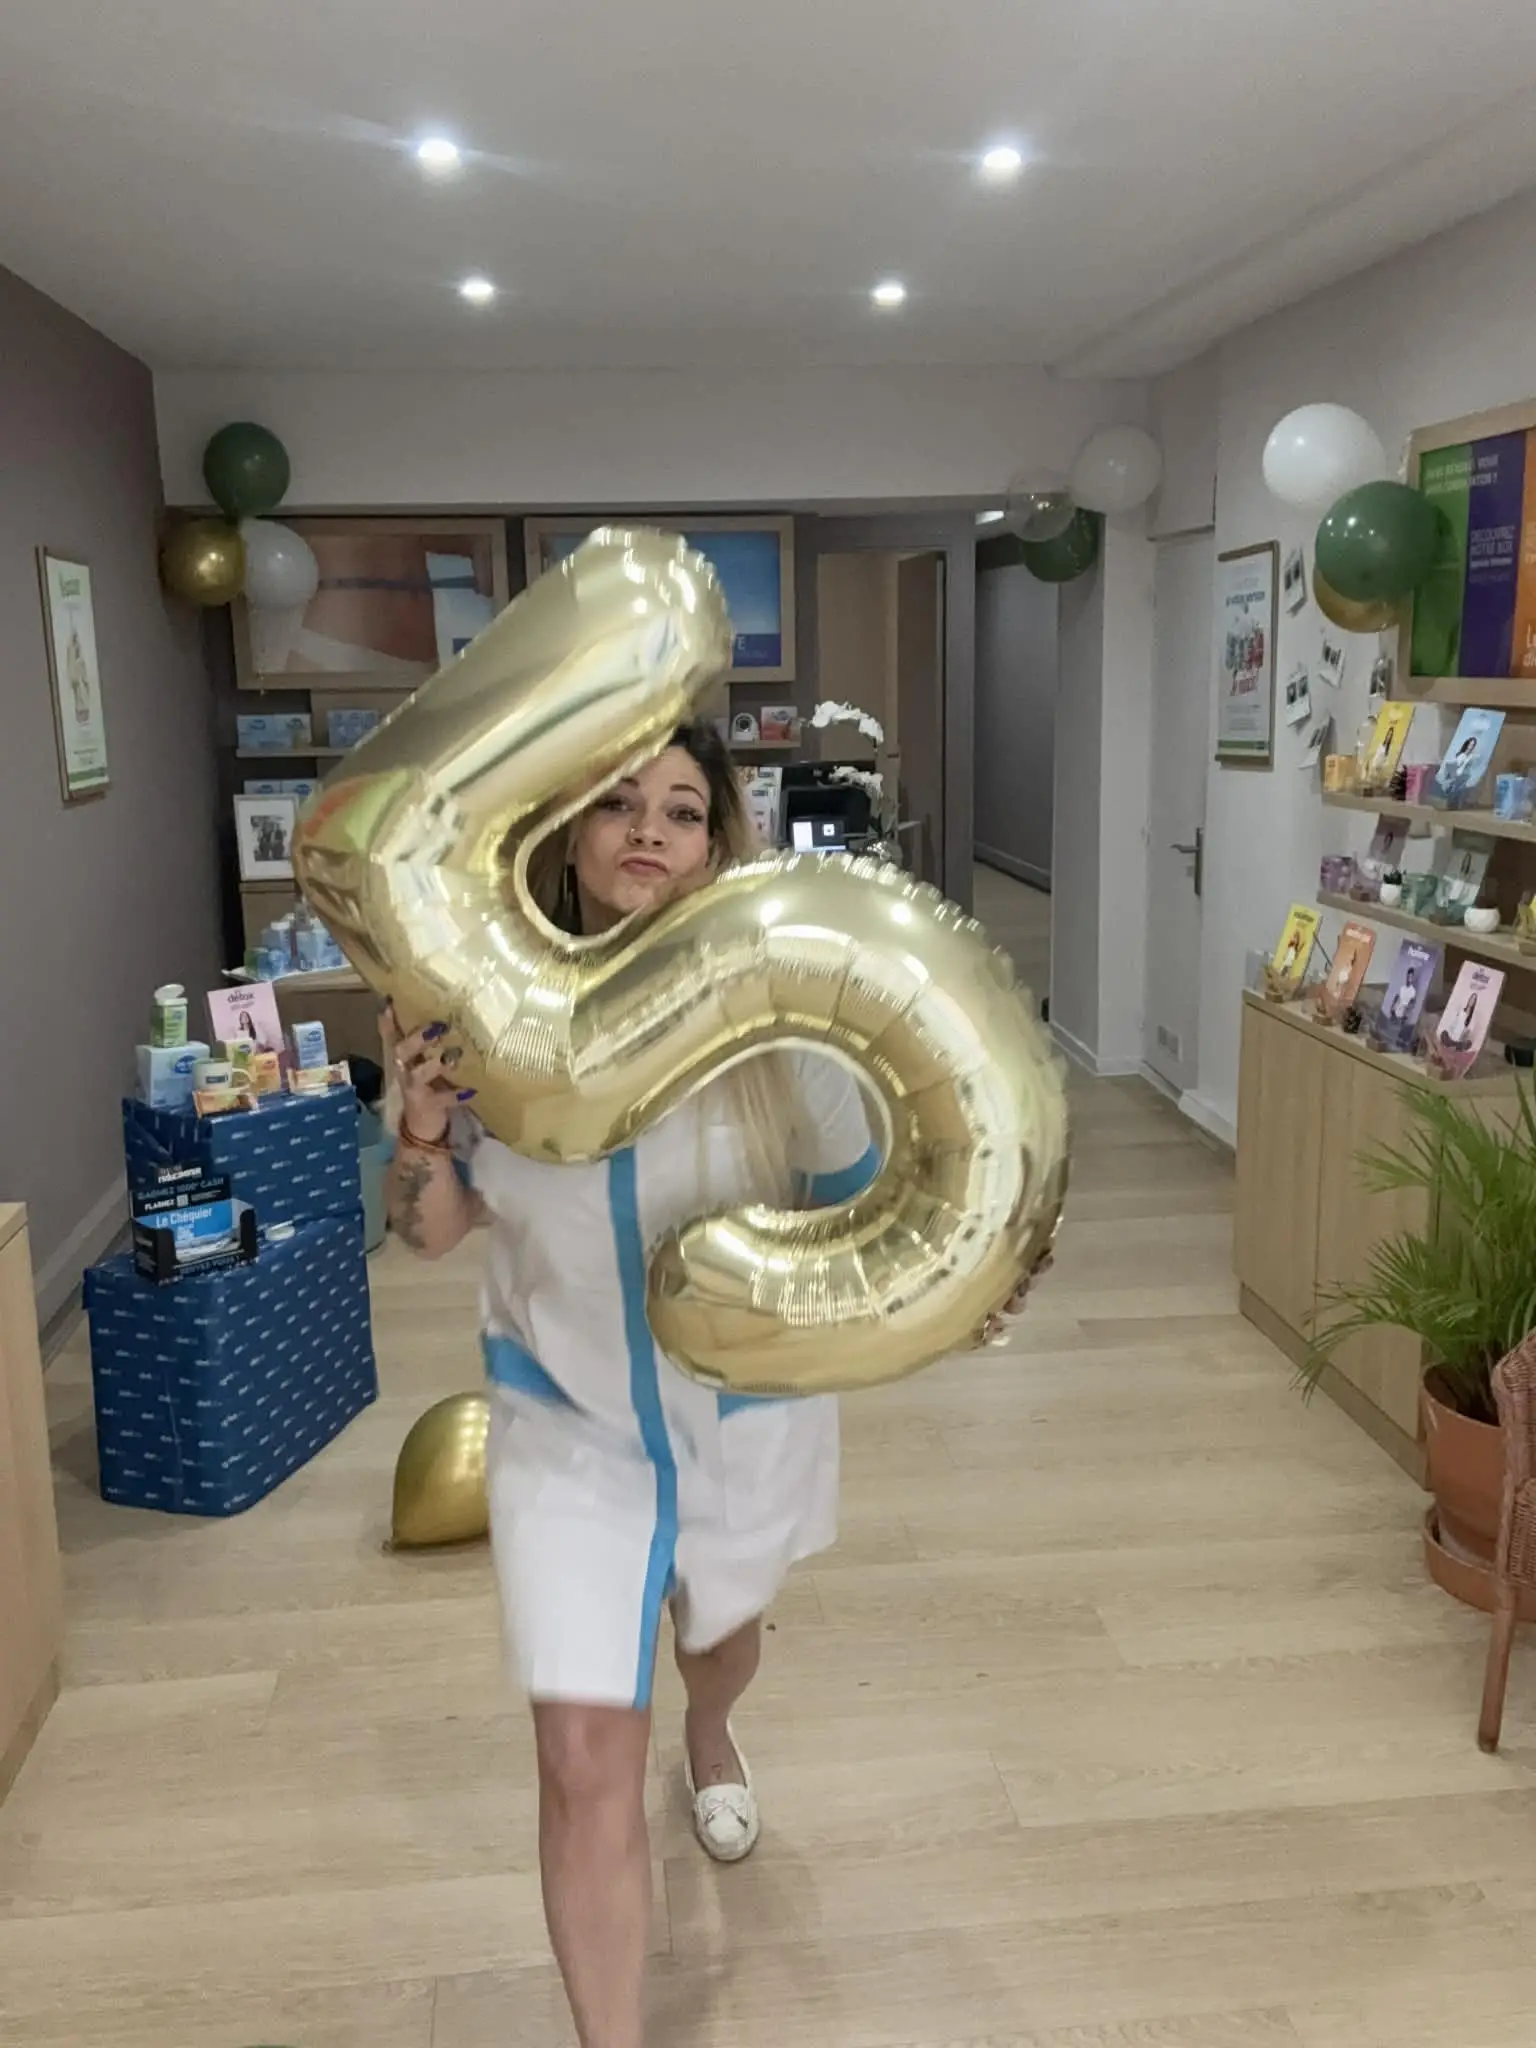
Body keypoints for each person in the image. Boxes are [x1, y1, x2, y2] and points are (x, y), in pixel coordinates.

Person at [382, 721, 1041, 2048]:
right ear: (568, 835)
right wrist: (422, 1135)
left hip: (745, 1419)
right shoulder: (491, 1025)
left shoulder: (784, 1033)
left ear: (715, 846)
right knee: (581, 1764)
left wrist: (971, 1281)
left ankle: (714, 1728)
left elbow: (889, 1217)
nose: (649, 829)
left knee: (716, 1647)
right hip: (565, 1425)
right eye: (619, 803)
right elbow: (429, 1230)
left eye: (683, 811)